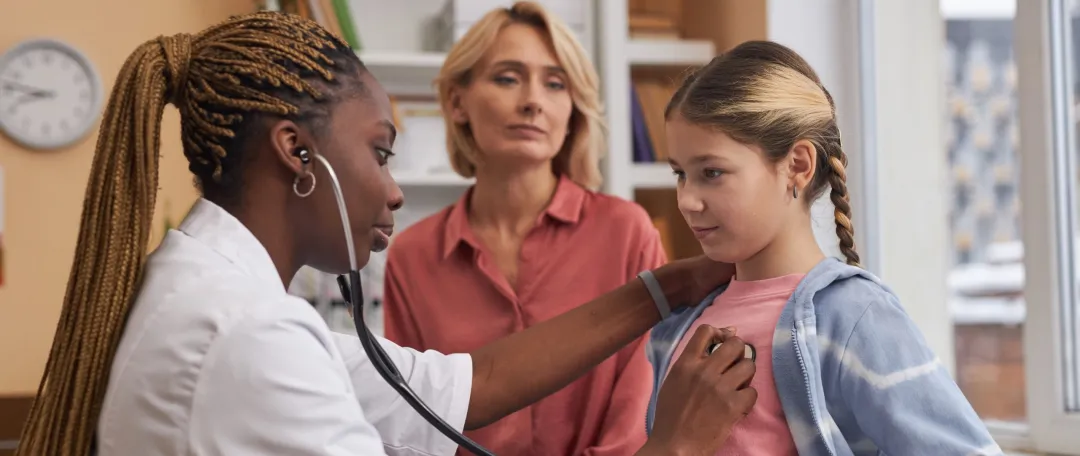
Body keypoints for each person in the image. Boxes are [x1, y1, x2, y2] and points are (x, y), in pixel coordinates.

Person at [15, 12, 758, 456]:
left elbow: (466, 385)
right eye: (379, 152)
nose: (394, 188)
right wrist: (678, 447)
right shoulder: (249, 336)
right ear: (296, 154)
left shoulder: (214, 294)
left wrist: (662, 289)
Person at [642, 41, 1001, 455]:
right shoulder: (680, 323)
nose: (687, 199)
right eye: (680, 174)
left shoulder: (851, 315)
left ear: (797, 165)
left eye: (711, 172)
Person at [381, 3, 663, 454]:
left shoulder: (627, 233)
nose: (533, 100)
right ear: (458, 101)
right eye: (508, 78)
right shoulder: (414, 254)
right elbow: (414, 416)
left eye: (555, 84)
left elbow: (638, 410)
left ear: (572, 109)